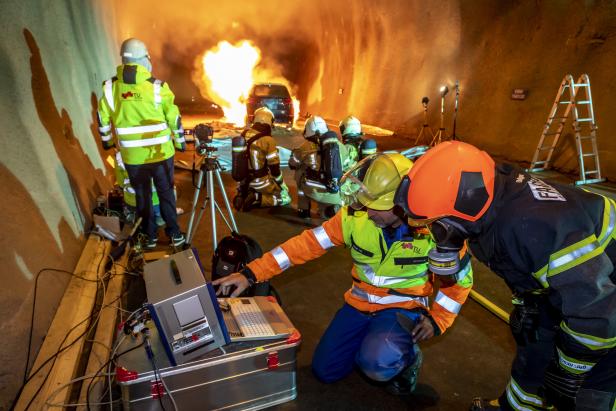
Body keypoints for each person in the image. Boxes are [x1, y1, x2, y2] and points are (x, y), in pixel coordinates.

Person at [214, 153, 474, 395]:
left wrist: (436, 320)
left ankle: (407, 358)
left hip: (402, 307)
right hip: (359, 305)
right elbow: (304, 246)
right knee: (325, 371)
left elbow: (459, 283)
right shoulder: (354, 217)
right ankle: (374, 342)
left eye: (375, 205)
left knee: (376, 363)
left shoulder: (437, 233)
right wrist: (249, 274)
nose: (366, 210)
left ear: (401, 205)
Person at [394, 141, 616, 410]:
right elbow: (528, 266)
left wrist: (569, 370)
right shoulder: (486, 206)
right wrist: (528, 302)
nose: (435, 236)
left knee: (590, 392)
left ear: (466, 204)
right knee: (534, 353)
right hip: (578, 285)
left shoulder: (536, 228)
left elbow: (599, 313)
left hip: (604, 296)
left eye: (436, 226)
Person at [97, 38, 186, 249]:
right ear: (145, 58)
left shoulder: (110, 88)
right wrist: (181, 143)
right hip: (161, 155)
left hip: (132, 157)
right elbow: (174, 119)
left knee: (142, 196)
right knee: (165, 194)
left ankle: (151, 236)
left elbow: (102, 118)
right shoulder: (158, 87)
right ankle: (174, 234)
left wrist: (108, 142)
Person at [289, 116, 349, 219]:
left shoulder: (305, 147)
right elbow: (348, 168)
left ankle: (304, 210)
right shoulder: (341, 147)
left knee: (300, 171)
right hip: (333, 192)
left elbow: (292, 164)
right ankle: (328, 211)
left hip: (312, 191)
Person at [235, 107, 291, 210]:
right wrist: (281, 184)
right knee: (285, 197)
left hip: (243, 180)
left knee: (249, 186)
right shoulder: (268, 140)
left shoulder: (244, 134)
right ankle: (257, 197)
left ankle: (242, 194)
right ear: (269, 121)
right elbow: (274, 169)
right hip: (260, 182)